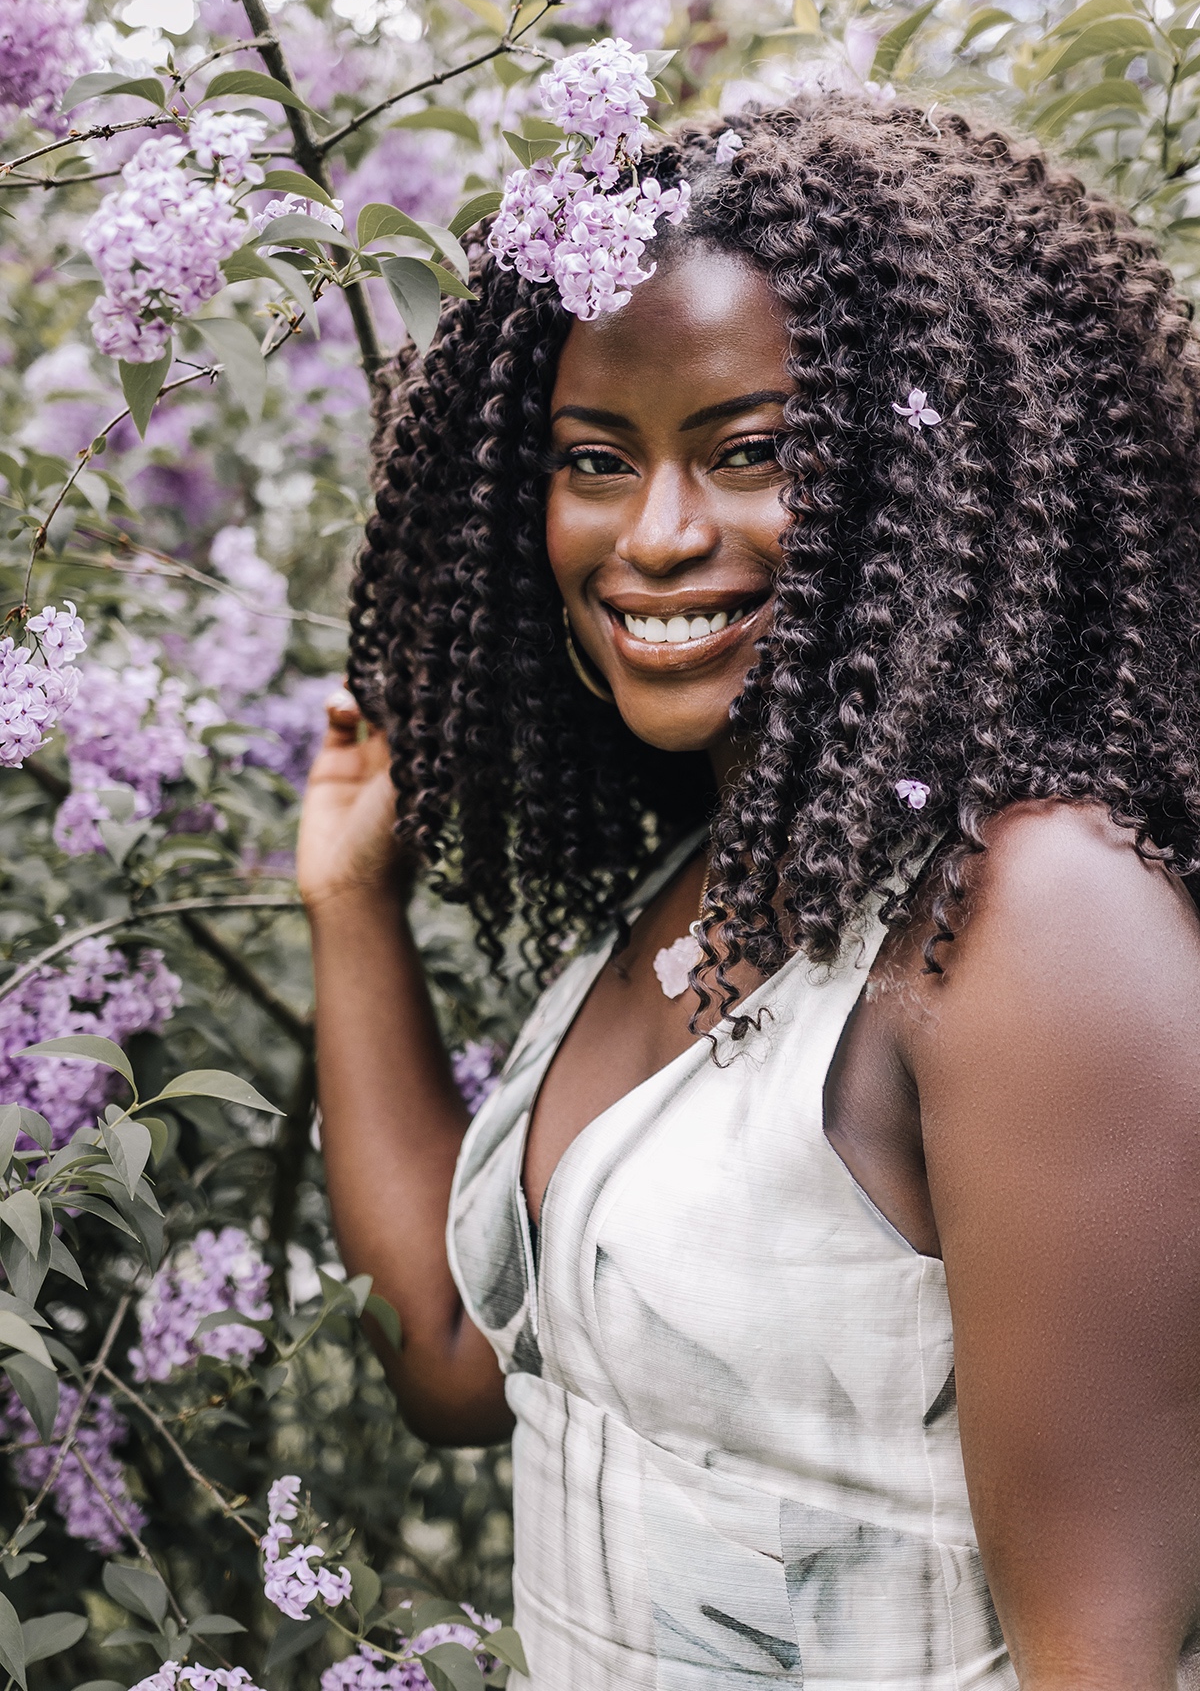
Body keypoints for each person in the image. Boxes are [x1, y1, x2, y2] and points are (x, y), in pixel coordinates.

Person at [298, 81, 1200, 1689]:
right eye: (594, 460)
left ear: (937, 483)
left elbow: (1104, 1659)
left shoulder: (1027, 918)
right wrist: (349, 905)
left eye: (753, 454)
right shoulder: (713, 875)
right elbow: (453, 1362)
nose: (655, 535)